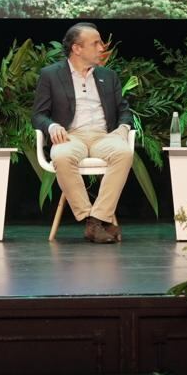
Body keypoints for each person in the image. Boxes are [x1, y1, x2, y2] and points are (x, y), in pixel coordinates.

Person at [32, 22, 135, 244]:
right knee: (61, 156)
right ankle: (91, 218)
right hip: (70, 136)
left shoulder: (108, 76)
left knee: (124, 153)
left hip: (102, 136)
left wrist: (123, 129)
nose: (101, 48)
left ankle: (96, 219)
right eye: (95, 43)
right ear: (77, 48)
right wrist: (52, 126)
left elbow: (124, 111)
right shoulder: (51, 75)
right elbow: (38, 115)